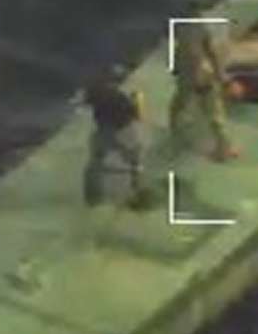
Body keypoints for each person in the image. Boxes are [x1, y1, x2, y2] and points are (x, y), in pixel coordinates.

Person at [83, 65, 153, 207]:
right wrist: (138, 100)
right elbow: (139, 116)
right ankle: (139, 194)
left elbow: (86, 102)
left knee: (95, 163)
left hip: (103, 132)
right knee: (136, 164)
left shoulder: (94, 91)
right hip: (126, 132)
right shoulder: (121, 98)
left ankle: (92, 196)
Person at [169, 24, 238, 162]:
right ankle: (223, 148)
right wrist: (221, 77)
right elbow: (212, 53)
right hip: (201, 75)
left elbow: (180, 56)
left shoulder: (181, 31)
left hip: (191, 76)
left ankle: (174, 126)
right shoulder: (199, 29)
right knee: (212, 112)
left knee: (182, 102)